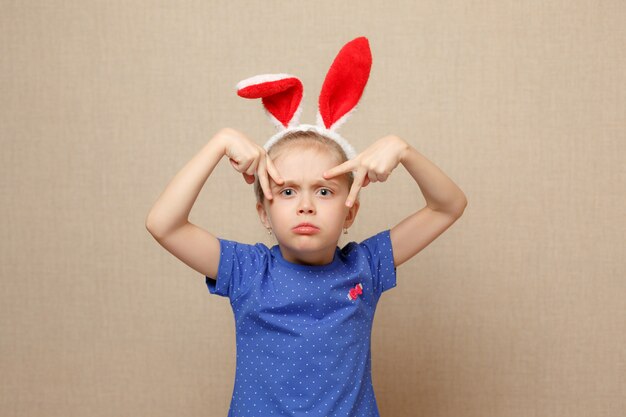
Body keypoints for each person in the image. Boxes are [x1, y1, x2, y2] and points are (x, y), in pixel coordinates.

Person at [146, 37, 467, 416]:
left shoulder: (366, 265)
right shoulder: (248, 271)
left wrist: (404, 151)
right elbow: (163, 224)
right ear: (264, 213)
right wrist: (221, 142)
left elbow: (448, 206)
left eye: (324, 191)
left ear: (350, 212)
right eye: (286, 191)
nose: (306, 206)